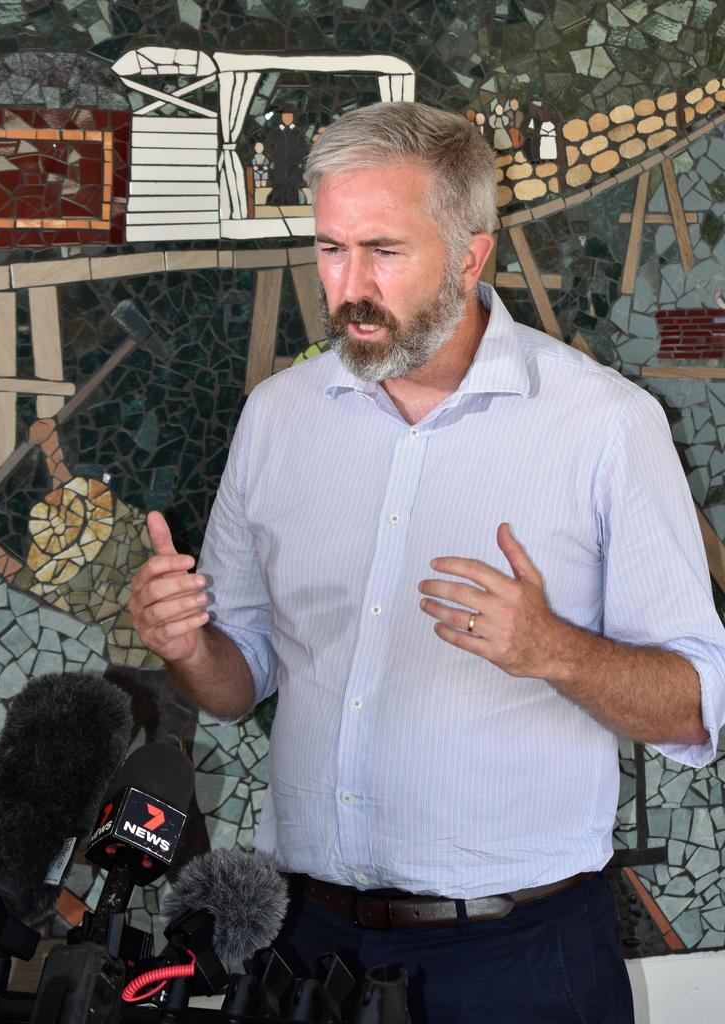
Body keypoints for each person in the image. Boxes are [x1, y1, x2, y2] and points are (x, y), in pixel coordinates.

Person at [128, 101, 725, 1023]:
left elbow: (698, 701)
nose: (348, 286)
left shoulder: (606, 426)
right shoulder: (278, 417)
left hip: (522, 961)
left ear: (472, 255)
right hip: (303, 943)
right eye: (330, 248)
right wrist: (187, 644)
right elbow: (237, 679)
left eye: (385, 250)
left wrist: (551, 648)